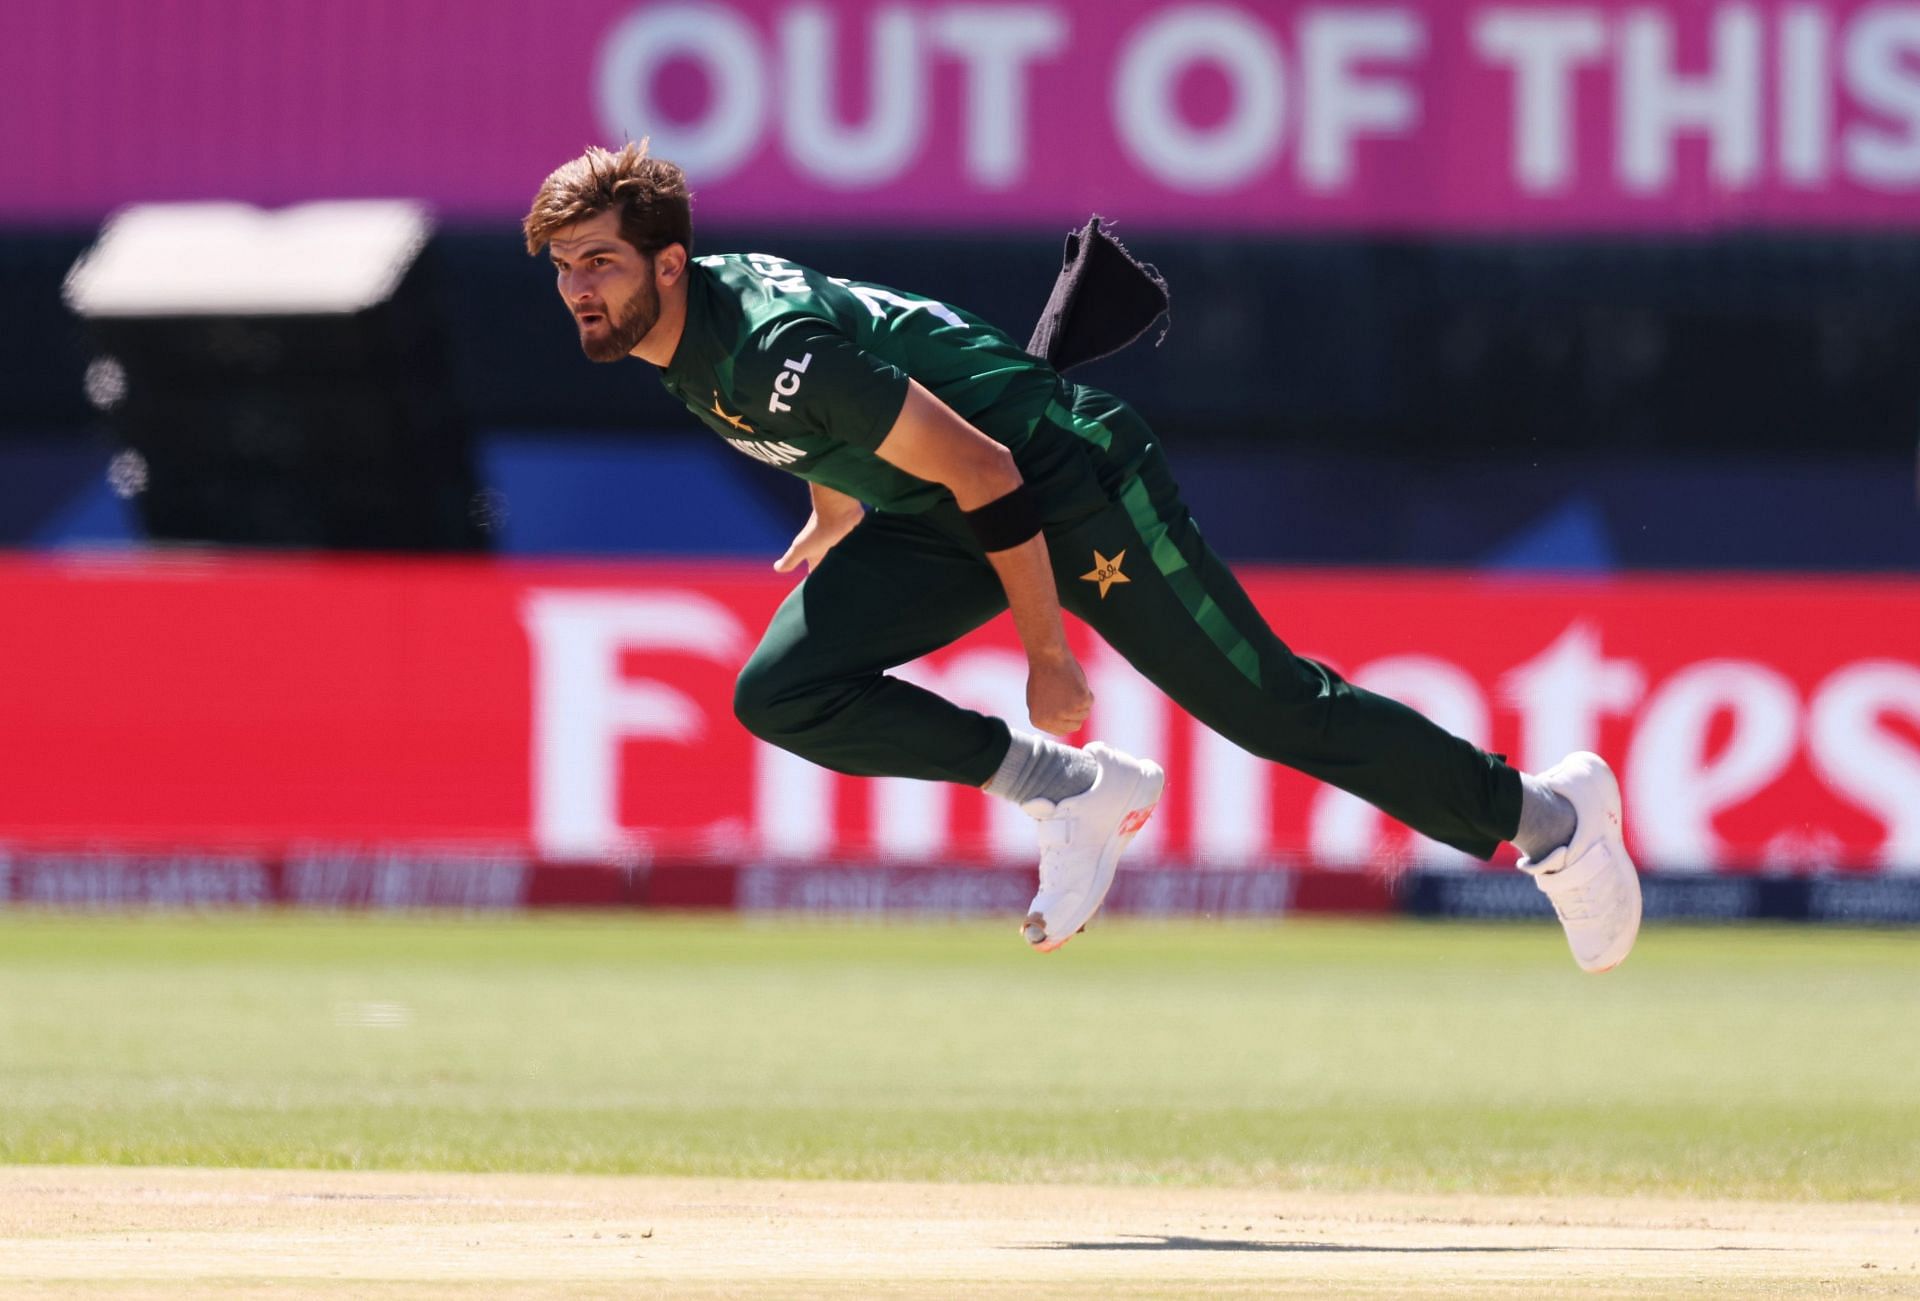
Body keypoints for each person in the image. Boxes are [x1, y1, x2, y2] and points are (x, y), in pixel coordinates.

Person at [522, 142, 1642, 970]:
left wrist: (1048, 654)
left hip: (1068, 482)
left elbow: (986, 471)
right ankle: (1071, 790)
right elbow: (857, 419)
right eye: (566, 265)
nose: (580, 287)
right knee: (784, 691)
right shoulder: (687, 329)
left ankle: (1550, 820)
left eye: (602, 263)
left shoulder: (770, 350)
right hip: (938, 507)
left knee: (1278, 710)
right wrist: (834, 505)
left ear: (669, 263)